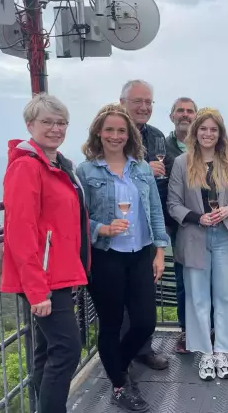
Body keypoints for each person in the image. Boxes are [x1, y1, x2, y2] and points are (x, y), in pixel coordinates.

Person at [76, 103, 169, 412]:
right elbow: (78, 219)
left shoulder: (141, 167)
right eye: (109, 130)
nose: (115, 136)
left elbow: (155, 211)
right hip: (106, 258)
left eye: (121, 130)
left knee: (144, 323)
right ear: (98, 133)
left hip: (140, 253)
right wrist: (102, 228)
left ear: (129, 134)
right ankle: (119, 385)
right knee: (111, 323)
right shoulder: (86, 171)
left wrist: (160, 250)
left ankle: (118, 366)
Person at [0, 93, 90, 413]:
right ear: (30, 125)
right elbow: (20, 231)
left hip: (58, 273)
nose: (55, 128)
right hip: (43, 278)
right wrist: (37, 290)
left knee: (47, 351)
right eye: (47, 122)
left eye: (61, 122)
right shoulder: (27, 167)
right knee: (67, 349)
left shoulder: (57, 164)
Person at [167, 107, 228, 381]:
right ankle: (204, 353)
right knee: (198, 297)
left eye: (213, 129)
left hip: (225, 235)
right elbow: (173, 204)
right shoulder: (181, 162)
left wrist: (227, 210)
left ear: (220, 133)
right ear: (195, 131)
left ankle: (222, 352)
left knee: (227, 294)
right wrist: (197, 218)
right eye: (204, 129)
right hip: (194, 236)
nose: (208, 134)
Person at [119, 79, 170, 370]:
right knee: (119, 298)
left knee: (144, 294)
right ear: (122, 101)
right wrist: (142, 170)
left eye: (149, 102)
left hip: (147, 228)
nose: (144, 107)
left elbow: (161, 185)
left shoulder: (157, 136)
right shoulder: (111, 131)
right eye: (138, 101)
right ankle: (120, 356)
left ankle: (142, 348)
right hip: (117, 229)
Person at [165, 97, 197, 353]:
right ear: (171, 116)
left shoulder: (209, 146)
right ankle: (186, 331)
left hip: (211, 225)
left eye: (190, 111)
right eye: (180, 111)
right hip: (178, 226)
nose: (185, 115)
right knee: (183, 280)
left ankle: (210, 329)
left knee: (210, 280)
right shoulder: (162, 148)